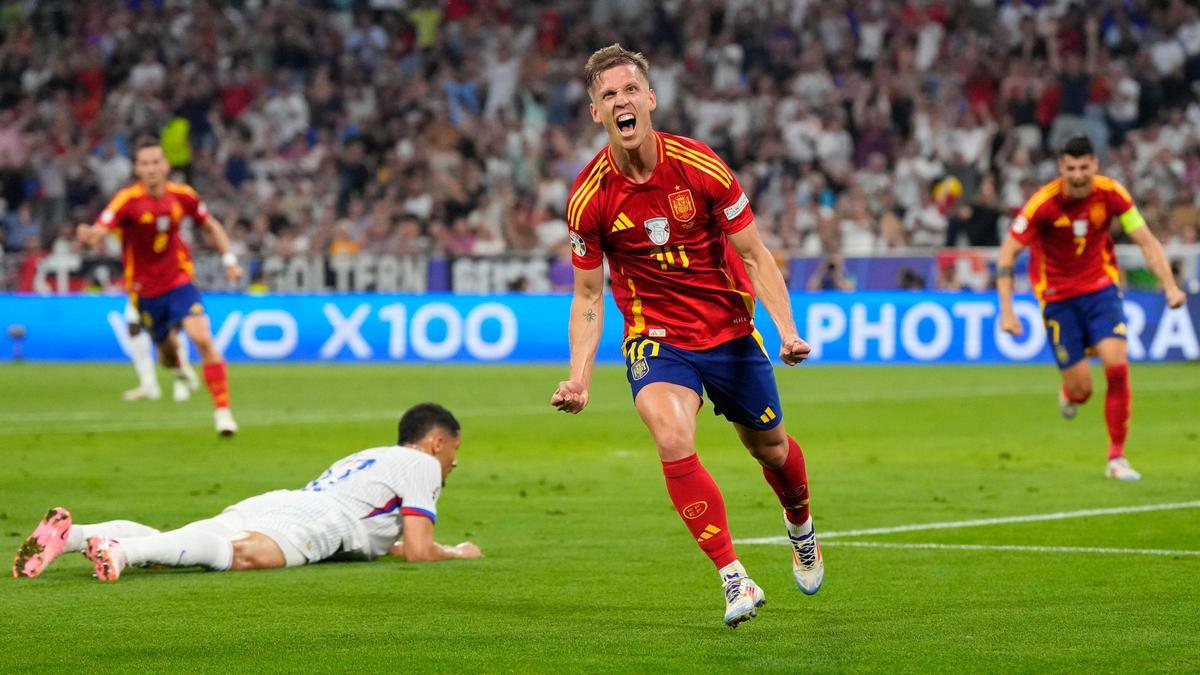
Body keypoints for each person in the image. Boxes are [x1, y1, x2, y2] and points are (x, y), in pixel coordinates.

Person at [549, 44, 822, 628]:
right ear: (596, 113)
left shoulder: (700, 165)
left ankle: (800, 527)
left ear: (649, 98)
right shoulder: (588, 198)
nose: (621, 102)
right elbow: (589, 296)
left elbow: (753, 253)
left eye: (629, 90)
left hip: (728, 332)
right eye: (607, 96)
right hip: (657, 337)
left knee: (770, 449)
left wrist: (788, 331)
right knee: (671, 433)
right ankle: (734, 577)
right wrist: (578, 377)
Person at [13, 403, 481, 580]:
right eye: (452, 450)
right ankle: (120, 552)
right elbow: (420, 551)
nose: (453, 462)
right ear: (437, 441)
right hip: (323, 521)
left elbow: (385, 539)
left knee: (189, 540)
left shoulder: (373, 456)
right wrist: (457, 553)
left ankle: (74, 536)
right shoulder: (421, 463)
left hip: (284, 502)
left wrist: (397, 548)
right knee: (244, 555)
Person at [997, 136, 1187, 480]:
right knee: (1082, 390)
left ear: (1095, 165)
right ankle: (1069, 393)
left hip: (1101, 290)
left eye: (1085, 167)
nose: (1079, 175)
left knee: (1117, 366)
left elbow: (1146, 240)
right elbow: (1008, 253)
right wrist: (1007, 311)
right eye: (1071, 168)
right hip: (1057, 297)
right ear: (1061, 168)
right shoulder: (1043, 204)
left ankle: (1116, 458)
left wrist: (1170, 286)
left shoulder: (1111, 193)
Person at [77, 136, 241, 435]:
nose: (151, 168)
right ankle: (179, 369)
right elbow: (102, 228)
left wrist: (229, 258)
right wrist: (91, 235)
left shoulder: (183, 196)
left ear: (165, 165)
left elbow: (210, 224)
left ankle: (223, 412)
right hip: (144, 291)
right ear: (137, 168)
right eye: (144, 163)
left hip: (179, 279)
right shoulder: (127, 201)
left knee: (202, 338)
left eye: (155, 162)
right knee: (166, 355)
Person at [120, 299, 200, 402]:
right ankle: (148, 385)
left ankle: (181, 381)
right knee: (134, 327)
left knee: (173, 328)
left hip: (168, 288)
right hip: (140, 289)